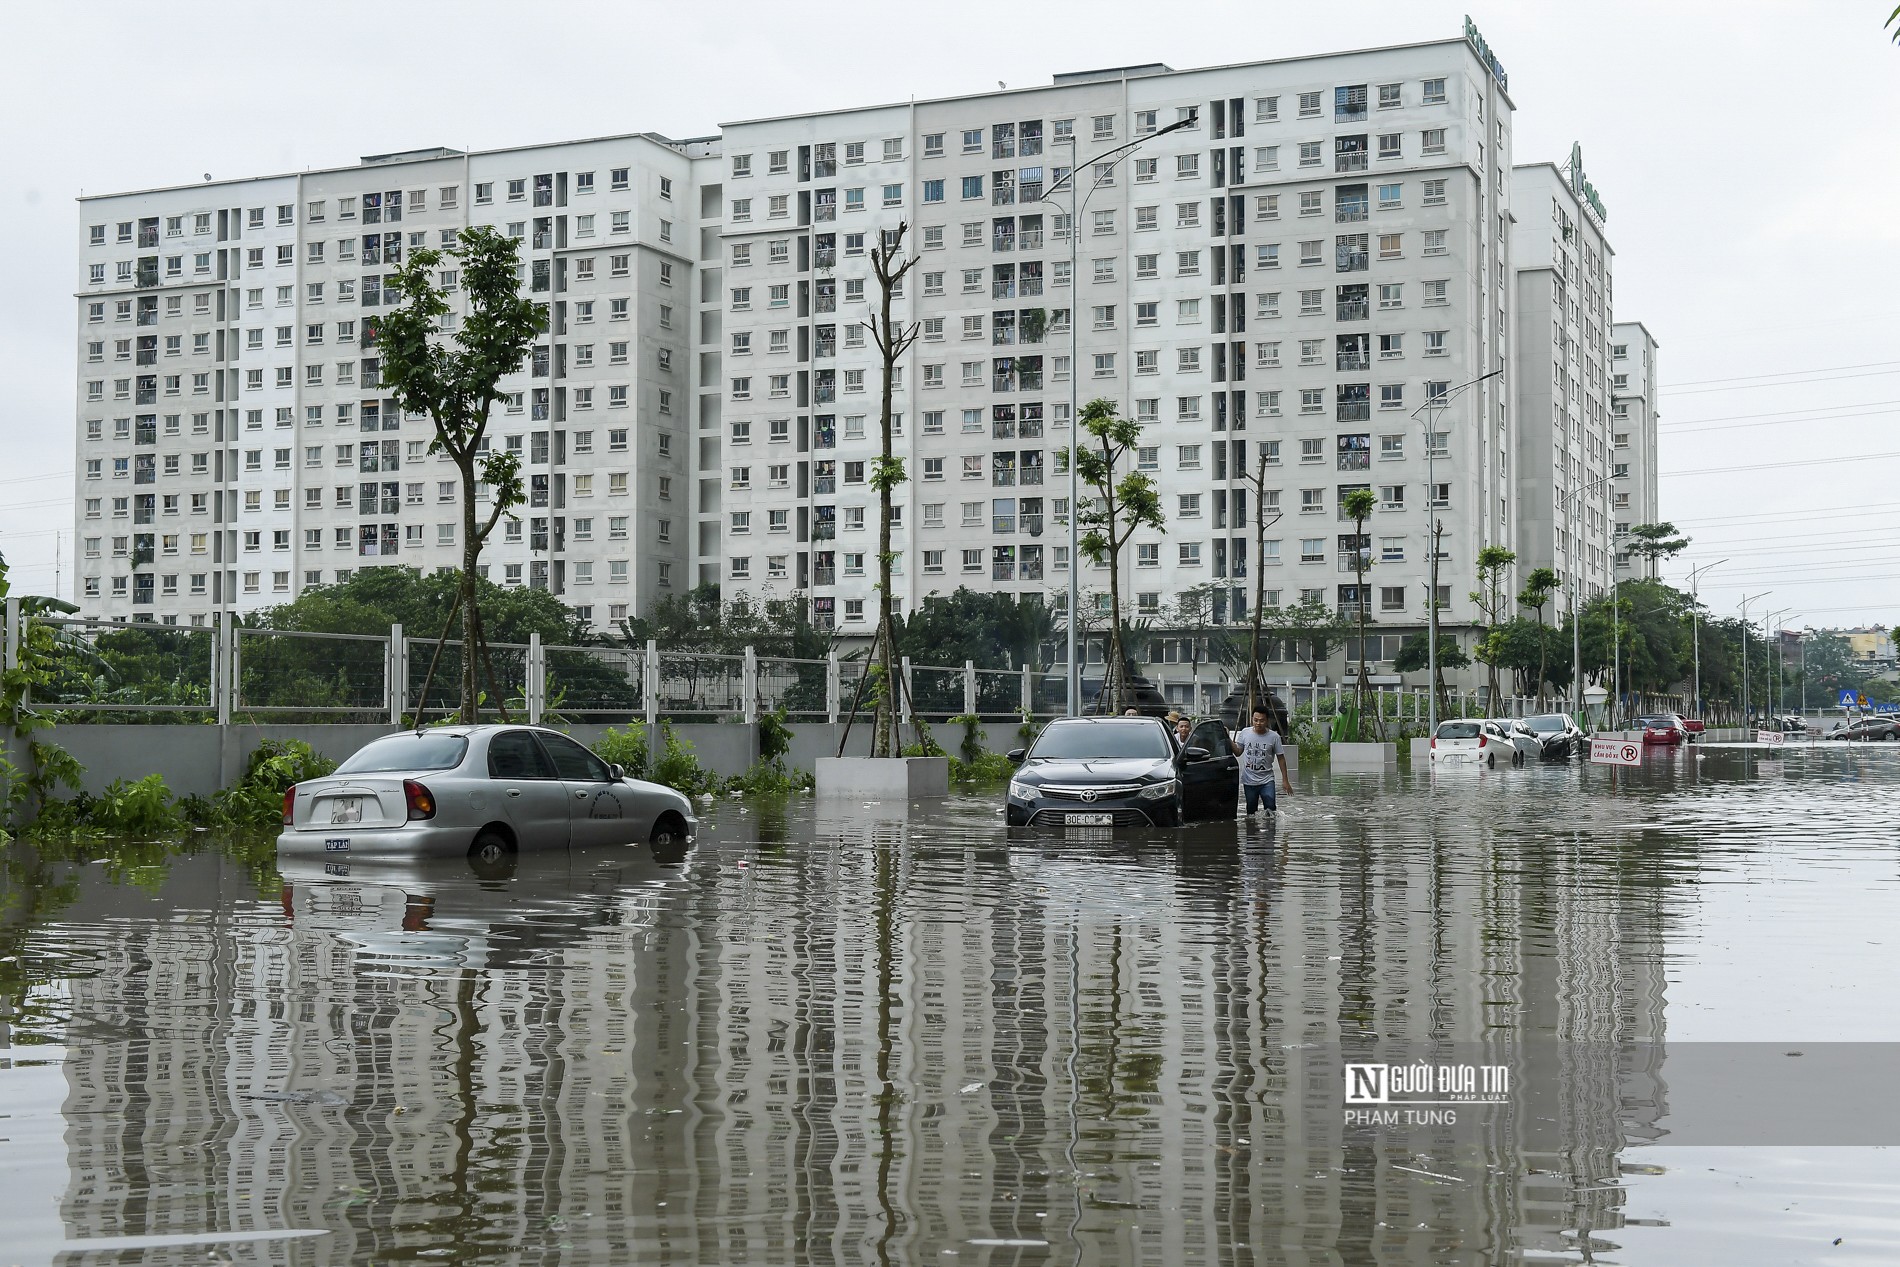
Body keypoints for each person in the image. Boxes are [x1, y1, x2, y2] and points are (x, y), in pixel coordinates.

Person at [1231, 707, 1291, 815]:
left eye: (1262, 720)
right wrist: (1228, 739)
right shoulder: (1245, 733)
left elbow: (1281, 758)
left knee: (1270, 809)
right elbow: (1238, 752)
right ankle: (1252, 831)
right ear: (1252, 719)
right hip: (1249, 780)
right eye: (1256, 720)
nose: (1258, 723)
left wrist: (1285, 780)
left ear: (1267, 720)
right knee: (1251, 811)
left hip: (1267, 780)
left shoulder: (1274, 737)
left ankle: (1270, 830)